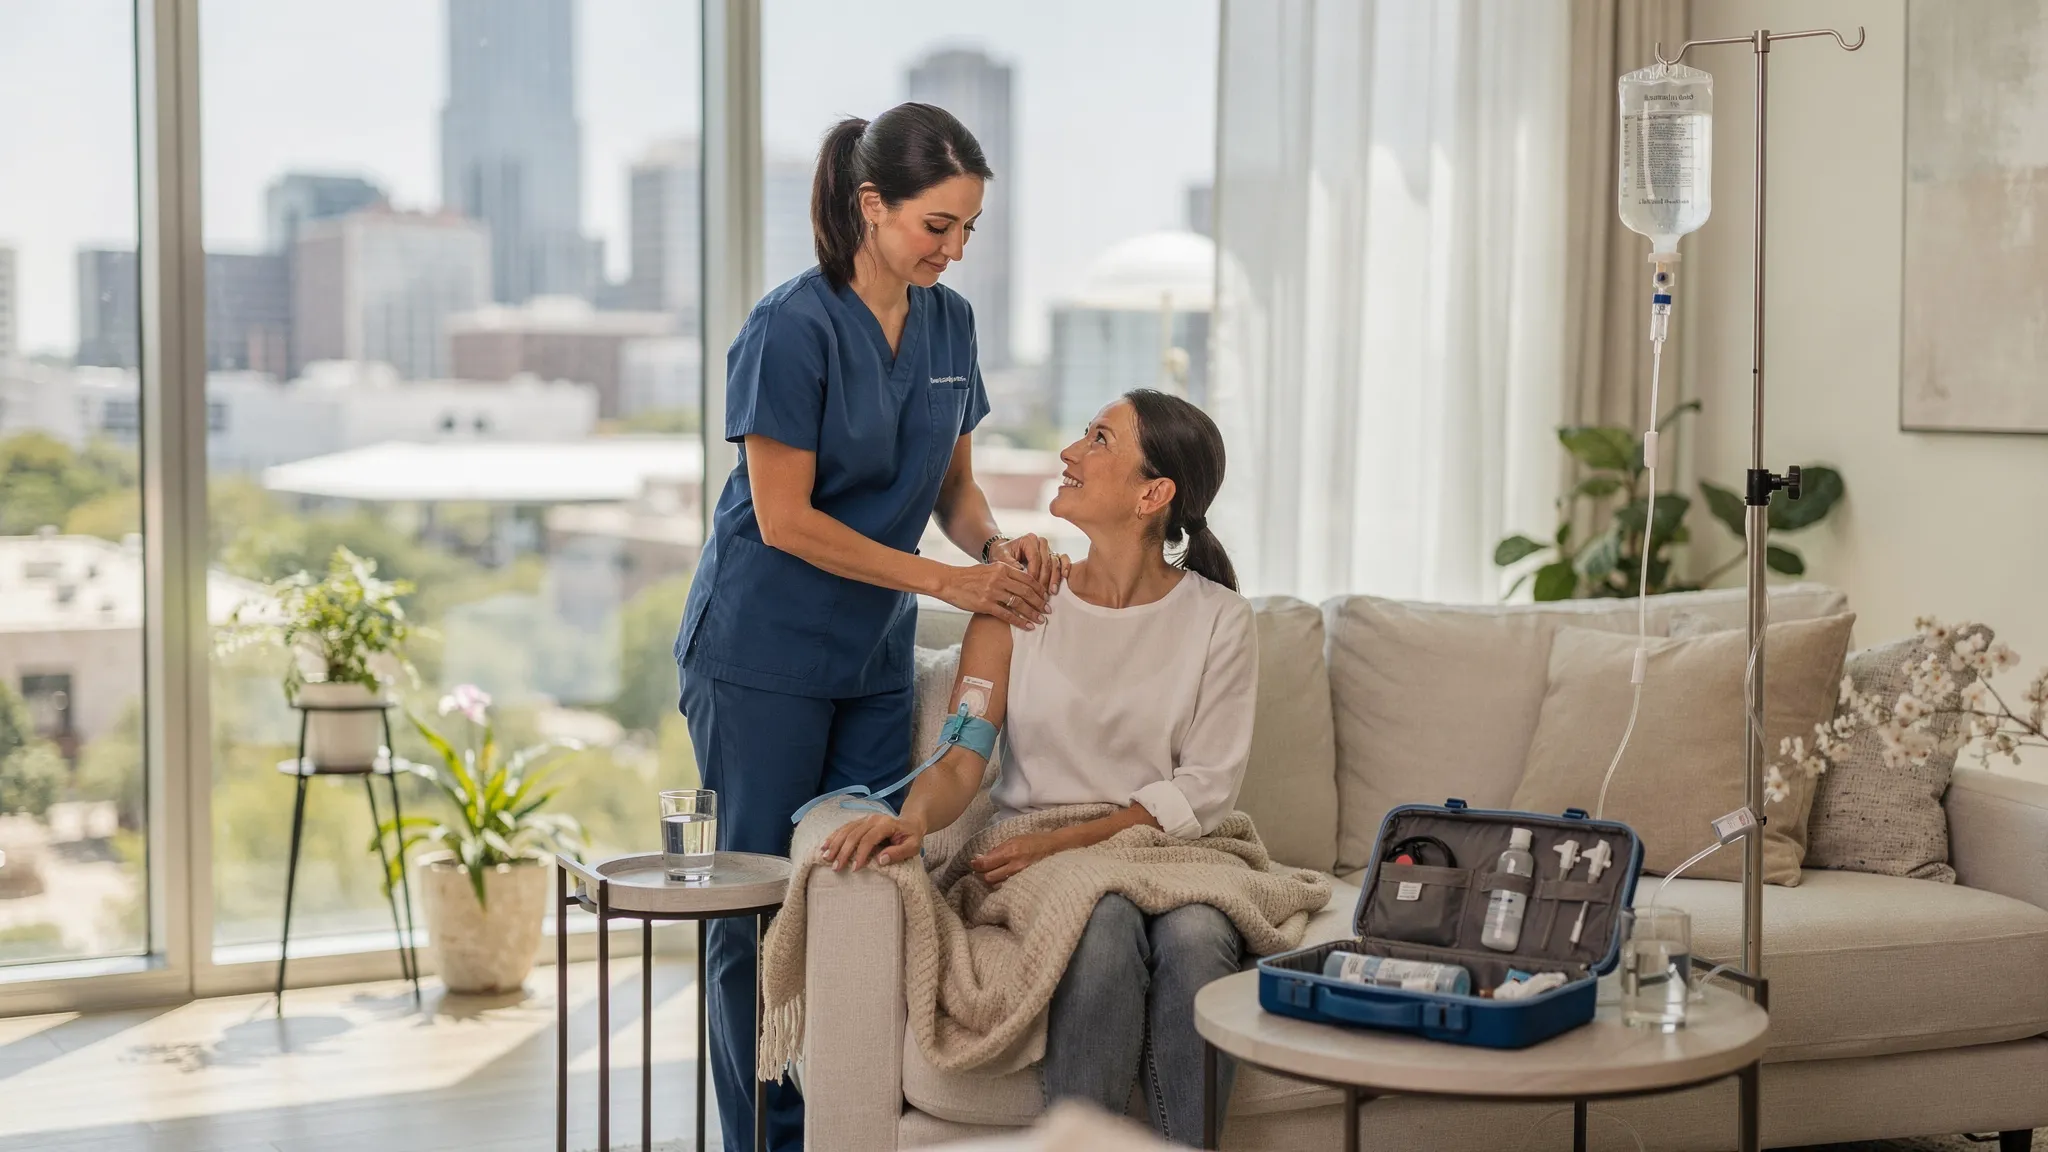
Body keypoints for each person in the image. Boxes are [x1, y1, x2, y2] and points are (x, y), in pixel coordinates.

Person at [673, 103, 1065, 1152]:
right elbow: (782, 517)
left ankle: (841, 1125)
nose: (953, 247)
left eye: (969, 229)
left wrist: (995, 553)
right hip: (760, 653)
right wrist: (949, 583)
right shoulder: (789, 327)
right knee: (752, 910)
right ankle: (764, 1135)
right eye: (937, 225)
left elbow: (954, 491)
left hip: (868, 659)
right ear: (871, 206)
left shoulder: (951, 325)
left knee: (855, 886)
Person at [820, 389, 1257, 1146]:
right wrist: (912, 820)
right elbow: (962, 754)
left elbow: (1206, 787)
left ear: (1154, 493)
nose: (1069, 453)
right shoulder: (1020, 602)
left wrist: (1072, 844)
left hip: (1170, 847)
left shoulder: (1220, 618)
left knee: (1196, 938)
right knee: (1105, 921)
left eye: (1098, 439)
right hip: (1039, 850)